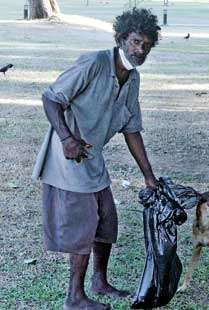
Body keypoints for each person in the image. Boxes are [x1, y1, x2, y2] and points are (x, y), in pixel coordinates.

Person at [31, 8, 161, 310]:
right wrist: (67, 139)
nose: (139, 50)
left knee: (107, 220)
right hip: (69, 158)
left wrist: (148, 176)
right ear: (121, 38)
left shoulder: (132, 78)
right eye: (135, 42)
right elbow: (51, 98)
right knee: (84, 225)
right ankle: (73, 297)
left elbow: (132, 129)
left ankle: (99, 282)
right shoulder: (93, 63)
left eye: (146, 45)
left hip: (92, 158)